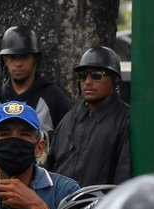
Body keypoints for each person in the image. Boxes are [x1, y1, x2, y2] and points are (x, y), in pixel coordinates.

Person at [0, 26, 72, 158]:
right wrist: (0, 152)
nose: (18, 63)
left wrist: (44, 140)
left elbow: (70, 136)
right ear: (5, 60)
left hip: (41, 175)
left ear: (35, 59)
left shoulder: (52, 96)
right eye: (13, 57)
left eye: (24, 57)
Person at [47, 46, 132, 186]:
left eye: (96, 75)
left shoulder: (125, 120)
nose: (87, 81)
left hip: (102, 206)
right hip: (62, 206)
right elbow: (50, 170)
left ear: (115, 80)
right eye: (82, 76)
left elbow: (124, 177)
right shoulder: (68, 120)